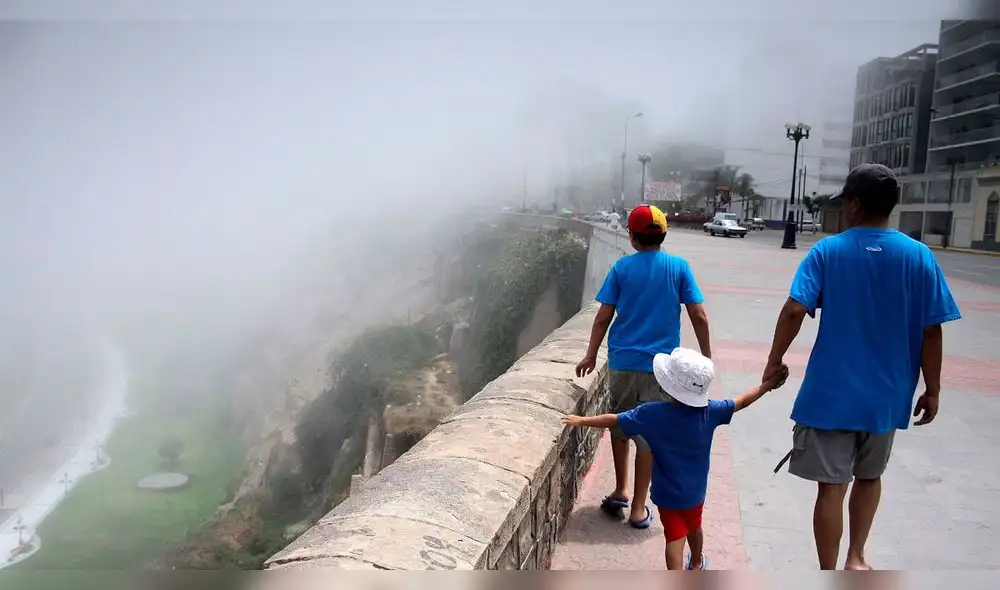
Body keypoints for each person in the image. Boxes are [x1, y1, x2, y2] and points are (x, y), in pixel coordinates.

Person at [763, 163, 962, 570]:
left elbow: (794, 310)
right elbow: (932, 330)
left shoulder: (827, 250)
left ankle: (827, 571)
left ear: (854, 203)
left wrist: (774, 360)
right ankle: (856, 558)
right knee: (870, 477)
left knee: (831, 487)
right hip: (887, 397)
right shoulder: (919, 257)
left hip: (831, 395)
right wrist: (933, 388)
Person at [564, 348, 789, 569]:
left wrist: (582, 421)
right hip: (695, 492)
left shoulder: (650, 413)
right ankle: (697, 561)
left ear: (668, 387)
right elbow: (741, 401)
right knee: (694, 526)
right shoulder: (710, 412)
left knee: (674, 537)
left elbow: (615, 420)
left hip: (666, 494)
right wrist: (767, 385)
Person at [575, 204, 711, 528]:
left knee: (620, 426)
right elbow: (699, 315)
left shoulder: (622, 268)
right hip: (662, 371)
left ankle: (620, 488)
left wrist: (591, 353)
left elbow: (603, 316)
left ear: (632, 237)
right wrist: (705, 358)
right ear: (663, 235)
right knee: (649, 437)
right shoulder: (679, 268)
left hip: (623, 362)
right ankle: (638, 507)